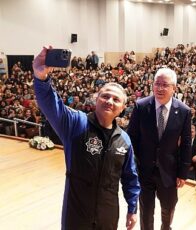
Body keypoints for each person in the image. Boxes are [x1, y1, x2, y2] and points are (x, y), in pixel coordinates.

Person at [32, 47, 140, 229]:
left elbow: (130, 178)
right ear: (96, 99)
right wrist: (41, 77)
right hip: (77, 209)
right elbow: (51, 105)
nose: (109, 101)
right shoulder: (75, 123)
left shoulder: (125, 140)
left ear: (123, 108)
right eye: (105, 96)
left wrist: (133, 208)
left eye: (116, 99)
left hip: (108, 210)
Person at [127, 67, 192, 230]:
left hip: (169, 171)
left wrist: (183, 172)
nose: (160, 88)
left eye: (165, 85)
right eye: (157, 84)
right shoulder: (140, 106)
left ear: (174, 88)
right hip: (144, 169)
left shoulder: (184, 111)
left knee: (168, 208)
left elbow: (186, 144)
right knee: (146, 210)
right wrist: (132, 166)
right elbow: (131, 139)